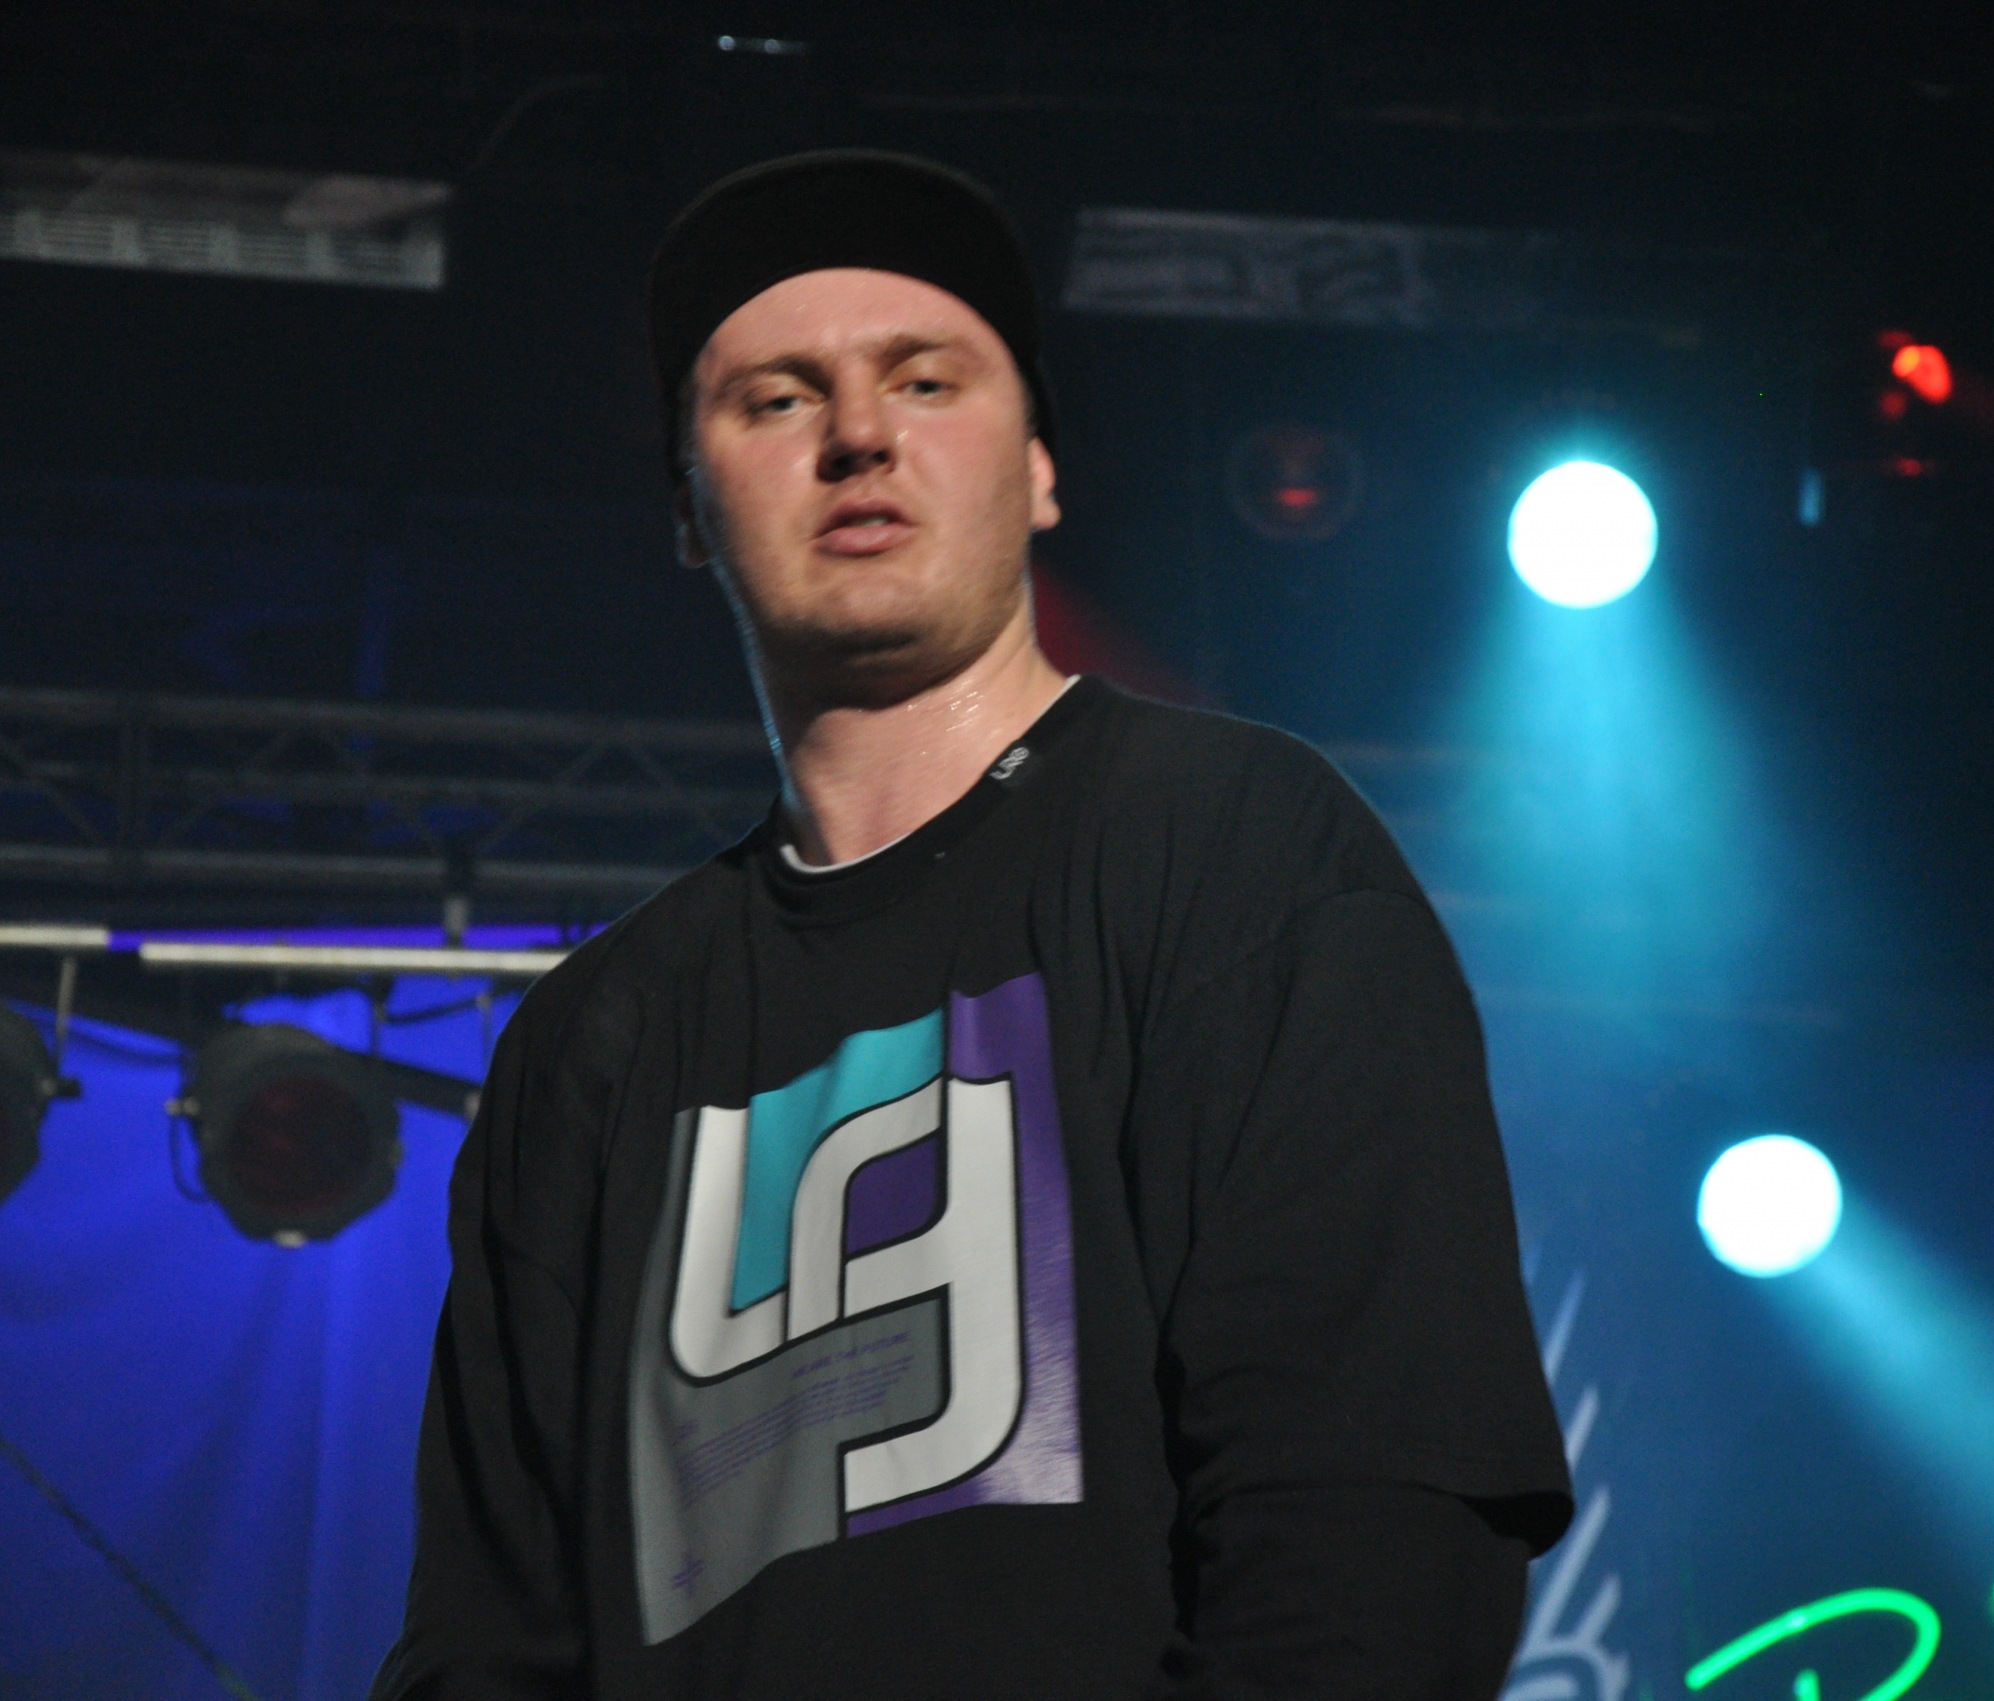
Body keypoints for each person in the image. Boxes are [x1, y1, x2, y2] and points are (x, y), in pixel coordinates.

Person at [372, 149, 1570, 1701]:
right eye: (777, 399)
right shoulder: (591, 1038)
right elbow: (489, 1642)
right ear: (689, 512)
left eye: (926, 380)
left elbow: (1372, 1518)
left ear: (1041, 469)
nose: (858, 433)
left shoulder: (1233, 845)